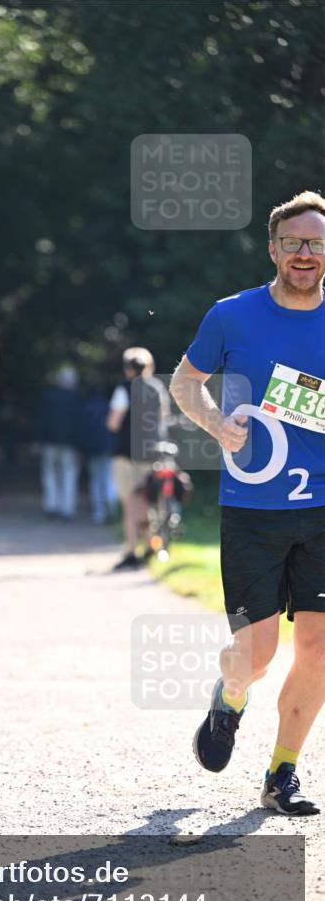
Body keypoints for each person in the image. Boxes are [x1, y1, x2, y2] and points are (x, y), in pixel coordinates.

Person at [170, 190, 325, 815]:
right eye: (293, 243)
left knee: (318, 649)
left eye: (316, 243)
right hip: (253, 511)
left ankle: (282, 772)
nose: (305, 253)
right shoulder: (231, 315)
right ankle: (230, 697)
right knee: (256, 655)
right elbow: (185, 382)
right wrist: (216, 425)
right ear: (273, 250)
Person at [106, 347, 169, 569]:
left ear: (128, 368)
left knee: (129, 503)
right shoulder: (157, 387)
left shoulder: (124, 389)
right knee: (148, 500)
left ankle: (131, 550)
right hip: (152, 453)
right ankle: (152, 546)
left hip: (126, 453)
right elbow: (163, 418)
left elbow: (113, 422)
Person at [36, 365, 82, 521]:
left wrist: (38, 440)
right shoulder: (77, 398)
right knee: (69, 475)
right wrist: (80, 445)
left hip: (50, 442)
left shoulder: (50, 396)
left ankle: (51, 506)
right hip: (71, 444)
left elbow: (42, 420)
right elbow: (80, 424)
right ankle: (67, 509)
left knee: (49, 474)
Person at [79, 385, 116, 525]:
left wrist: (82, 449)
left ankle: (99, 512)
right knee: (108, 478)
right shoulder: (108, 406)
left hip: (92, 449)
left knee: (95, 480)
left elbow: (83, 431)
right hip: (107, 447)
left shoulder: (85, 408)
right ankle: (112, 507)